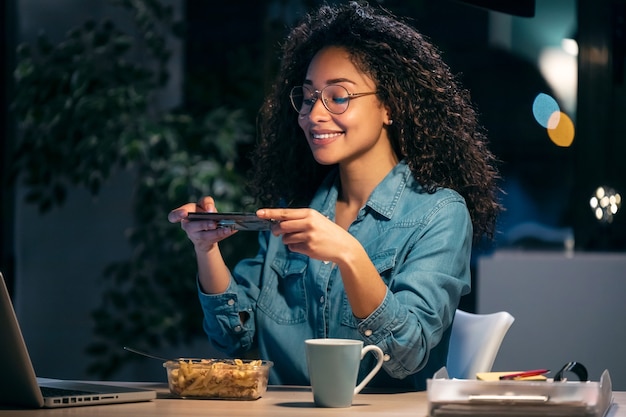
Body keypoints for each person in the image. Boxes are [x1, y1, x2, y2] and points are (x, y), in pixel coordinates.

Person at [168, 1, 500, 391]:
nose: (314, 114)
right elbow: (236, 342)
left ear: (390, 105)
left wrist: (348, 253)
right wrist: (206, 250)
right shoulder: (298, 207)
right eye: (309, 98)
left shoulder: (439, 213)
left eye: (338, 97)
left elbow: (407, 355)